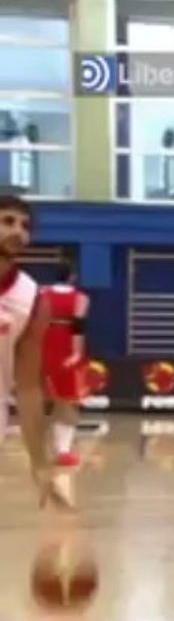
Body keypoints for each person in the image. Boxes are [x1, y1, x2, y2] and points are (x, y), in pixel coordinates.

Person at [0, 195, 63, 509]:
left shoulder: (32, 299)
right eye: (7, 221)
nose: (18, 231)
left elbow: (27, 388)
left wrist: (39, 461)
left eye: (25, 226)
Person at [40, 261, 89, 467]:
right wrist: (77, 352)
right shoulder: (80, 298)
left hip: (43, 344)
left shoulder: (42, 294)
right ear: (72, 277)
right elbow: (78, 327)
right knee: (68, 401)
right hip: (66, 347)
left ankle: (41, 448)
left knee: (42, 400)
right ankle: (63, 451)